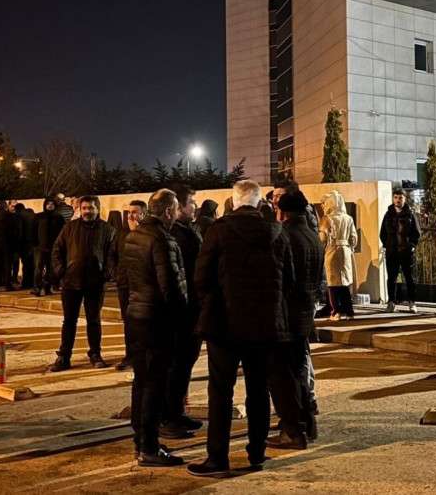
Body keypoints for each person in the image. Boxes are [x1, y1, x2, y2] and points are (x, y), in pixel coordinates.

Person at [188, 180, 301, 478]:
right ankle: (256, 452)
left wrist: (213, 303)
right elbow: (289, 280)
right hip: (265, 325)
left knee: (221, 392)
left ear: (234, 201)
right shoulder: (276, 232)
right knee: (258, 390)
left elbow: (201, 278)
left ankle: (218, 457)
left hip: (224, 325)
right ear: (259, 202)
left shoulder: (219, 230)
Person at [119, 189, 188, 466]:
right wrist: (182, 317)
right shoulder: (162, 239)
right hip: (157, 321)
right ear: (169, 211)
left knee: (141, 381)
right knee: (154, 385)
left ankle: (140, 441)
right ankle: (149, 447)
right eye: (176, 210)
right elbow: (170, 286)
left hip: (136, 315)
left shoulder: (134, 236)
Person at [271, 190, 322, 444]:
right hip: (305, 312)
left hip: (288, 313)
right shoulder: (313, 236)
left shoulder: (285, 236)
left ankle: (293, 429)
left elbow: (282, 279)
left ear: (283, 211)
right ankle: (307, 424)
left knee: (286, 374)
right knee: (300, 369)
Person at [48, 195, 118, 371]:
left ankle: (95, 354)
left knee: (94, 320)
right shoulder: (69, 227)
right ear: (80, 209)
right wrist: (61, 272)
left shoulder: (107, 229)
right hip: (71, 282)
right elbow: (57, 250)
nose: (87, 211)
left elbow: (111, 254)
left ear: (97, 208)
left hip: (95, 283)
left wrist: (106, 274)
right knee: (69, 321)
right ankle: (64, 356)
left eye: (91, 208)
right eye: (85, 208)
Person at [164, 185, 203, 435]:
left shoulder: (188, 230)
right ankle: (169, 417)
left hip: (192, 308)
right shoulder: (174, 235)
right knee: (176, 365)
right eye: (191, 203)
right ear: (177, 207)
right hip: (181, 311)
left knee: (185, 364)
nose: (194, 207)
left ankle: (177, 412)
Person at [115, 200, 147, 372]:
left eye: (135, 212)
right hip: (125, 283)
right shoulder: (121, 233)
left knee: (142, 322)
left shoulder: (149, 234)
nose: (131, 216)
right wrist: (115, 273)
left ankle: (143, 355)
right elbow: (113, 254)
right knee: (128, 322)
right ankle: (130, 356)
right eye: (129, 212)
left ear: (144, 214)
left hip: (142, 285)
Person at [379, 188, 420, 313]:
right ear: (393, 199)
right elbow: (383, 233)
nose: (398, 200)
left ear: (405, 199)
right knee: (391, 277)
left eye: (400, 197)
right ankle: (391, 302)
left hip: (406, 251)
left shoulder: (410, 214)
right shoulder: (388, 214)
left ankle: (412, 302)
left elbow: (416, 232)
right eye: (396, 197)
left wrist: (411, 245)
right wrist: (387, 245)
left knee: (409, 278)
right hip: (392, 251)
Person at [319, 191, 357, 321]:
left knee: (333, 282)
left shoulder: (327, 219)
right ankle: (349, 311)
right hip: (345, 250)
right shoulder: (348, 218)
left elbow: (322, 237)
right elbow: (354, 238)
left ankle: (336, 311)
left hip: (332, 250)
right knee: (345, 282)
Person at [34, 197, 65, 295]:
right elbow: (33, 231)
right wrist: (34, 244)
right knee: (39, 268)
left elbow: (62, 232)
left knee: (51, 269)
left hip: (53, 247)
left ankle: (48, 287)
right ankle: (38, 287)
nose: (50, 205)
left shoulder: (59, 218)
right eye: (48, 204)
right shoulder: (39, 216)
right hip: (40, 247)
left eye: (52, 204)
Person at [15, 204, 37, 290]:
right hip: (34, 243)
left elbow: (20, 232)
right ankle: (32, 283)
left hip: (25, 244)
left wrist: (18, 244)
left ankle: (26, 283)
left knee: (26, 264)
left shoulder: (20, 216)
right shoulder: (33, 215)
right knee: (32, 264)